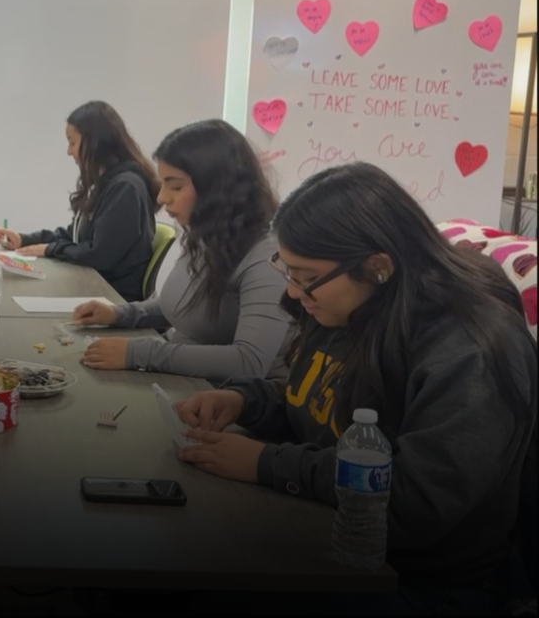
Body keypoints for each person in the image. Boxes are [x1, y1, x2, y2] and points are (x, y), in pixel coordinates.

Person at [173, 162, 537, 614]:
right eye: (288, 271)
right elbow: (321, 407)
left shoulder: (470, 350)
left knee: (201, 578)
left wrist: (267, 464)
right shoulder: (350, 305)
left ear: (377, 267)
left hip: (424, 582)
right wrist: (246, 400)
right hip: (333, 532)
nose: (294, 292)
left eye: (306, 277)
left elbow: (412, 504)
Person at [72, 119, 293, 380]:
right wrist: (120, 314)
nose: (162, 197)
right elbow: (184, 308)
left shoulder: (267, 258)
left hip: (225, 397)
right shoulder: (209, 235)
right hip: (186, 379)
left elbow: (249, 361)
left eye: (175, 186)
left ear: (217, 187)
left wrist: (138, 353)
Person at [0, 101, 160, 301]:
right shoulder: (105, 183)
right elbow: (75, 236)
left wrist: (50, 249)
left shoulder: (125, 187)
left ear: (95, 142)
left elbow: (99, 255)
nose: (69, 151)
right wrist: (25, 239)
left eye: (72, 143)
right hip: (92, 286)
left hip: (111, 297)